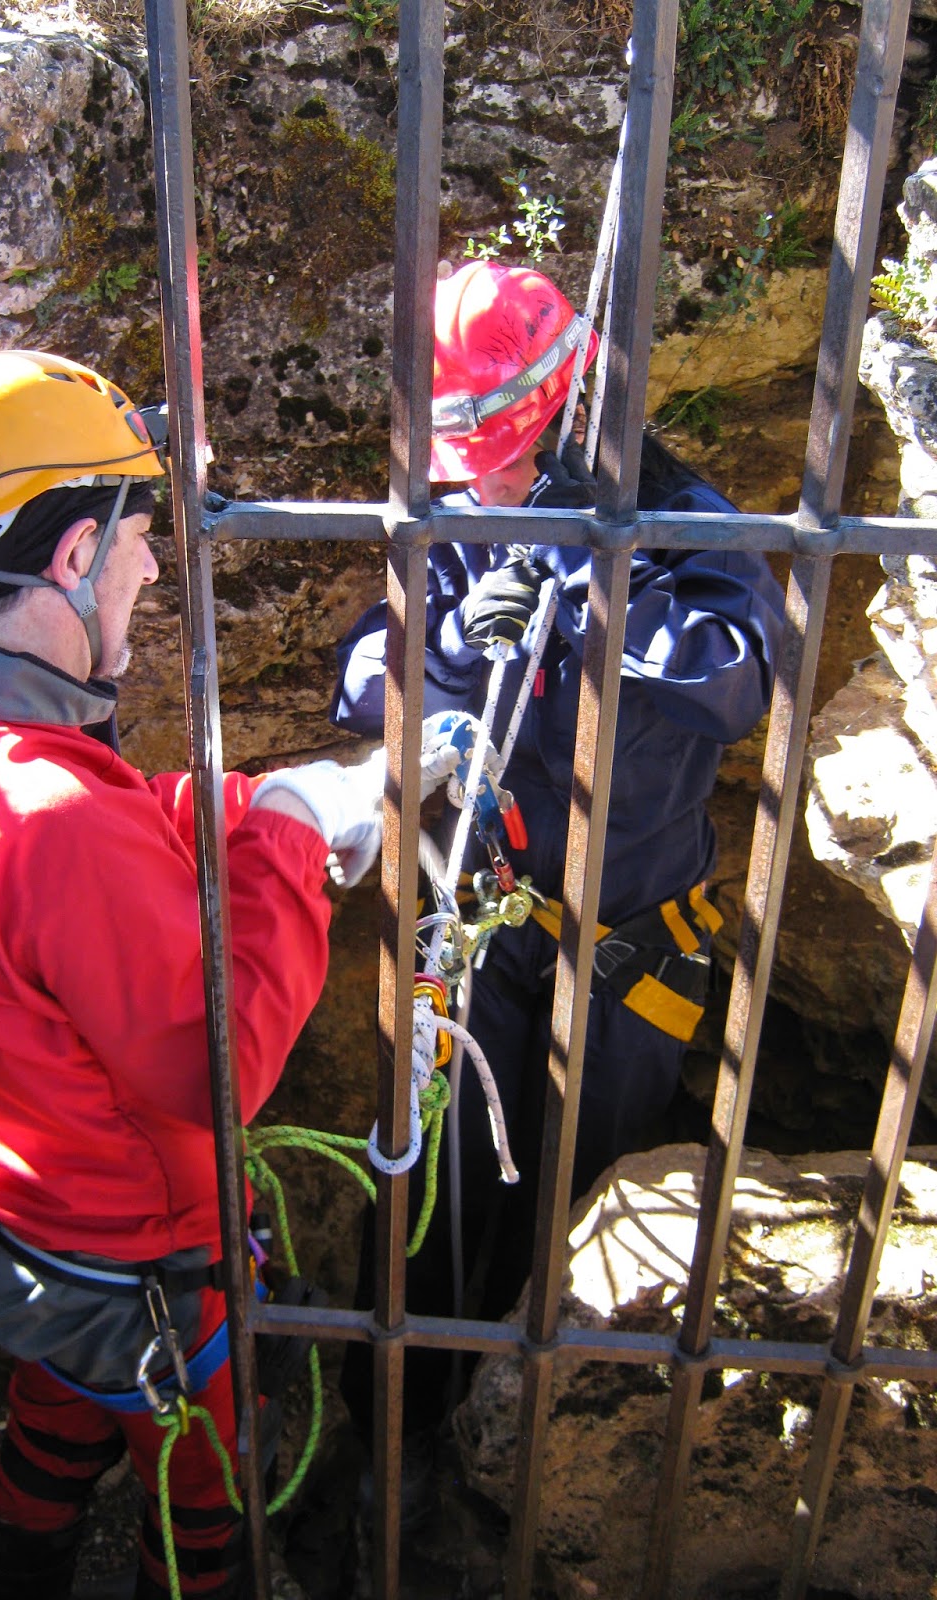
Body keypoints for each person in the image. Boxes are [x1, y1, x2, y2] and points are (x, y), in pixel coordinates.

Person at [0, 349, 470, 1600]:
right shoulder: (50, 819)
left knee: (57, 1417)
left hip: (18, 1228)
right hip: (142, 1263)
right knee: (209, 1493)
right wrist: (288, 840)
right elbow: (220, 1067)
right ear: (73, 554)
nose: (156, 567)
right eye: (135, 539)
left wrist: (251, 806)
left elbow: (82, 855)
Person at [330, 261, 786, 1470]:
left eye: (493, 456)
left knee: (584, 1203)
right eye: (462, 462)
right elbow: (362, 676)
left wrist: (592, 575)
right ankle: (393, 1436)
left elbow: (738, 677)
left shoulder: (686, 521)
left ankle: (531, 1455)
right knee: (430, 1194)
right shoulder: (458, 521)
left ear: (563, 415)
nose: (473, 480)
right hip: (480, 924)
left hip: (626, 950)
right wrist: (444, 643)